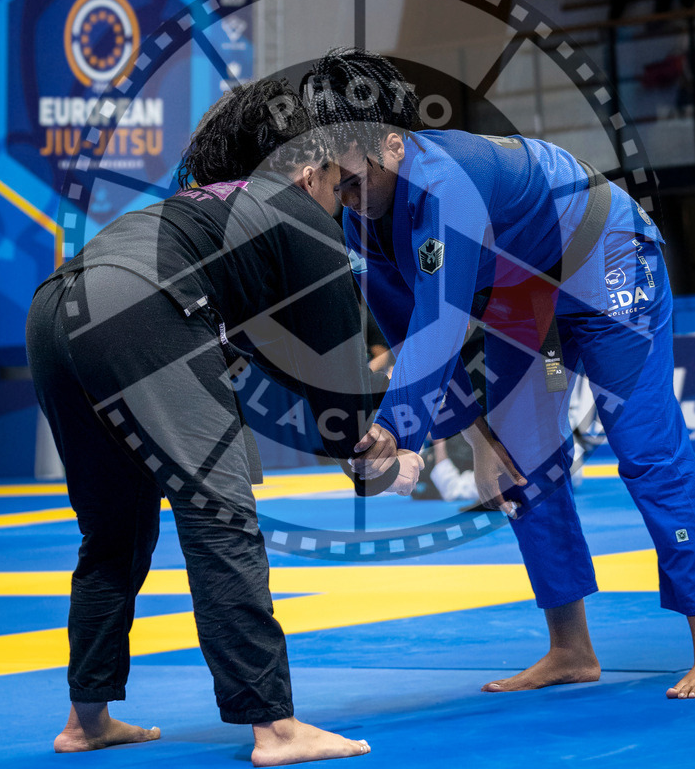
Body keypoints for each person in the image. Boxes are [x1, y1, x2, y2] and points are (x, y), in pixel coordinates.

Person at [302, 47, 695, 701]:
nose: (348, 199)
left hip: (603, 253)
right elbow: (410, 341)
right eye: (335, 188)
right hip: (520, 291)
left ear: (392, 147)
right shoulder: (360, 224)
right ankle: (570, 648)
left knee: (644, 447)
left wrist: (397, 431)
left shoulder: (445, 183)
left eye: (352, 180)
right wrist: (470, 438)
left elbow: (441, 326)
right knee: (519, 462)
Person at [26, 78, 421, 765]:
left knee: (114, 530)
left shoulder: (211, 211)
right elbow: (344, 400)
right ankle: (274, 725)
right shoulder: (301, 218)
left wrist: (350, 431)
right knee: (219, 512)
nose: (345, 201)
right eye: (340, 185)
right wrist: (382, 457)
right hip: (139, 306)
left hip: (56, 308)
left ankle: (85, 717)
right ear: (308, 167)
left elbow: (276, 367)